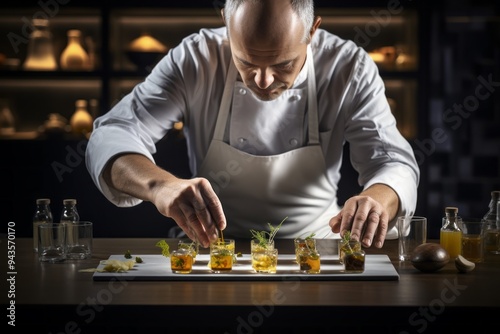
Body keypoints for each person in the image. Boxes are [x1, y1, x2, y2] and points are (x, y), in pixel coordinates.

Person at [86, 0, 419, 248]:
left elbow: (391, 161)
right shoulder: (195, 58)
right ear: (227, 25)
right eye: (245, 60)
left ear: (312, 31)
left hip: (318, 249)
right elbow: (113, 134)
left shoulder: (349, 67)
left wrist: (378, 197)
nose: (261, 80)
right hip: (210, 250)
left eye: (283, 63)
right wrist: (161, 186)